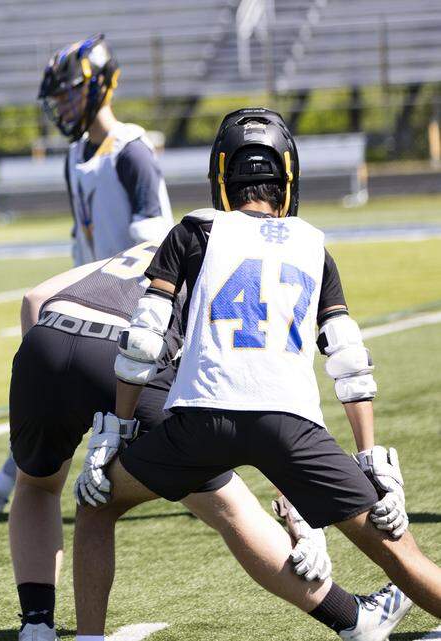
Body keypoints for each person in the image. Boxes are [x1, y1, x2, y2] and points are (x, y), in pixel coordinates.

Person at [73, 108, 441, 640]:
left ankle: (87, 638)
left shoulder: (195, 229)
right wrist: (373, 459)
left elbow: (143, 340)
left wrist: (116, 431)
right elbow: (348, 361)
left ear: (222, 176)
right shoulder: (314, 244)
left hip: (202, 417)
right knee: (399, 556)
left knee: (97, 503)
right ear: (286, 176)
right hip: (290, 424)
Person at [4, 241, 408, 641]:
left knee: (36, 487)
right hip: (127, 352)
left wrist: (52, 387)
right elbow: (257, 402)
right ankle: (353, 618)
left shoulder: (157, 242)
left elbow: (34, 297)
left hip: (46, 342)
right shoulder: (228, 255)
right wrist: (297, 511)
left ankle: (37, 625)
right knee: (227, 503)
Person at [0, 33, 173, 514]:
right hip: (93, 291)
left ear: (99, 86)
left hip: (136, 296)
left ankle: (233, 486)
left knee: (175, 398)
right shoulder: (76, 155)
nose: (63, 104)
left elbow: (156, 238)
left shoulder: (131, 150)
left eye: (70, 91)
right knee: (50, 381)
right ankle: (6, 484)